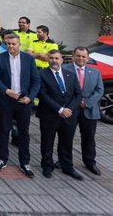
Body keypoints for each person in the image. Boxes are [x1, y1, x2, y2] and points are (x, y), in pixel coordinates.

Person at [0, 33, 40, 177]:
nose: (11, 46)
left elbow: (36, 80)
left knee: (23, 132)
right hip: (6, 100)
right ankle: (2, 158)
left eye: (13, 44)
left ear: (19, 44)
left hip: (23, 101)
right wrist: (6, 91)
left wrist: (30, 98)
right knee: (3, 129)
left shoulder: (28, 59)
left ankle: (25, 162)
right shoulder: (0, 58)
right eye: (8, 44)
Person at [37, 50, 82, 180]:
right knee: (47, 142)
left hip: (69, 116)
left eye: (57, 58)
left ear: (62, 60)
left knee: (67, 143)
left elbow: (78, 94)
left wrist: (69, 110)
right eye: (51, 58)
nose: (54, 61)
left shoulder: (71, 75)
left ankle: (67, 167)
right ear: (47, 59)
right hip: (49, 115)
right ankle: (47, 167)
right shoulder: (41, 74)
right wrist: (60, 110)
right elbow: (43, 95)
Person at [64, 46, 103, 175]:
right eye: (78, 56)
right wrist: (75, 103)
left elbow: (99, 90)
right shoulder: (64, 69)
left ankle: (90, 162)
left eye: (83, 56)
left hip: (89, 109)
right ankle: (64, 160)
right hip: (71, 109)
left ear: (87, 58)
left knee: (89, 137)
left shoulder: (95, 72)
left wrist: (87, 102)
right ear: (73, 56)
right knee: (66, 136)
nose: (81, 58)